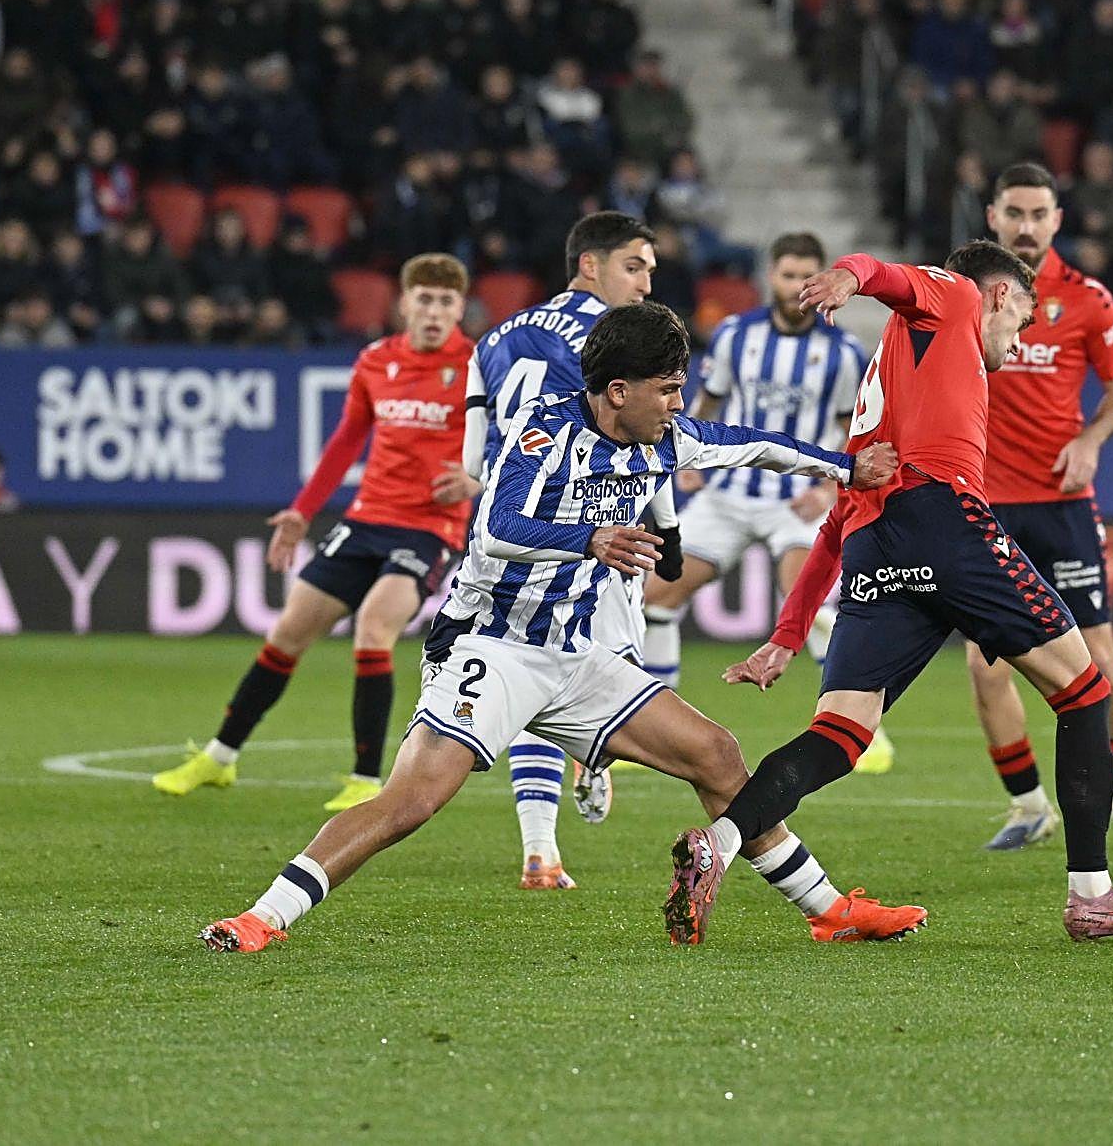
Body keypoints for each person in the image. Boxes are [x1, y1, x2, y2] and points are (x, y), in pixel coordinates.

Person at [198, 302, 920, 953]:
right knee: (412, 800)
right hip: (492, 644)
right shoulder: (543, 434)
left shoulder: (666, 439)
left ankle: (831, 910)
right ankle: (264, 916)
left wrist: (846, 465)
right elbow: (499, 525)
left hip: (576, 656)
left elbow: (754, 443)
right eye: (667, 390)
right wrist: (590, 539)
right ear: (617, 392)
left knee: (718, 753)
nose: (679, 404)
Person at [695, 242, 1113, 944]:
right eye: (1018, 323)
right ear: (996, 296)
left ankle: (718, 842)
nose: (1016, 347)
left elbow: (839, 520)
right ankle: (1092, 895)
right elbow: (888, 273)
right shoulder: (955, 296)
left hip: (875, 545)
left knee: (840, 735)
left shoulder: (885, 384)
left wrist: (787, 635)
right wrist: (849, 275)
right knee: (1085, 691)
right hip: (945, 520)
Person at [152, 255, 475, 814]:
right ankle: (219, 757)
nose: (434, 311)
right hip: (366, 519)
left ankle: (365, 779)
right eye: (424, 299)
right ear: (404, 303)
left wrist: (475, 476)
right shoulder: (376, 360)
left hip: (428, 529)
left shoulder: (477, 366)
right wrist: (302, 511)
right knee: (287, 634)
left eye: (445, 302)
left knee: (374, 626)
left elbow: (519, 435)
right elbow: (346, 442)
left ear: (459, 309)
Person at [443, 211, 670, 888]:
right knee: (599, 673)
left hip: (509, 534)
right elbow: (638, 443)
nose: (646, 280)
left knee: (533, 672)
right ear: (590, 264)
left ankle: (539, 850)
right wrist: (670, 527)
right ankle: (593, 757)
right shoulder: (611, 342)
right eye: (635, 265)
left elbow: (473, 460)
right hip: (588, 527)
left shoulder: (492, 339)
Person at [971, 163, 1113, 852]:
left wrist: (1090, 440)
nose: (1026, 227)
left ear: (1058, 219)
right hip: (985, 504)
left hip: (1061, 503)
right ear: (993, 214)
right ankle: (1027, 806)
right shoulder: (967, 293)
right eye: (1014, 213)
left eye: (1038, 214)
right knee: (983, 663)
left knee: (1099, 656)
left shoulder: (1088, 298)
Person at [638, 233, 883, 763]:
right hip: (728, 494)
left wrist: (826, 485)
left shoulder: (840, 351)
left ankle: (860, 727)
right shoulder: (732, 335)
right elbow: (708, 399)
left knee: (810, 600)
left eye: (807, 276)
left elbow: (852, 426)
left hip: (796, 498)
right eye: (789, 274)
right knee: (653, 601)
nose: (798, 286)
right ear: (770, 276)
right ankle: (662, 720)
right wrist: (687, 456)